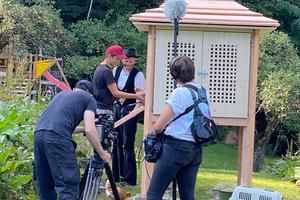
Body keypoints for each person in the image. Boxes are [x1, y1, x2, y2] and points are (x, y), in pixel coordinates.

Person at [33, 80, 111, 200]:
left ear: (74, 89)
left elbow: (63, 126)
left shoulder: (62, 94)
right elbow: (90, 129)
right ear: (91, 94)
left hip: (39, 136)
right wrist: (102, 153)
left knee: (45, 185)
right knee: (68, 186)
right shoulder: (89, 99)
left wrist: (84, 128)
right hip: (58, 139)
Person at [146, 55, 211, 200]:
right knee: (187, 196)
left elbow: (158, 126)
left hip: (175, 149)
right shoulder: (204, 92)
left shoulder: (179, 93)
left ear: (175, 75)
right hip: (195, 151)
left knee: (153, 195)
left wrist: (154, 132)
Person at [112, 48, 146, 186]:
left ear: (134, 60)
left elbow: (141, 97)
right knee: (116, 143)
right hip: (116, 109)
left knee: (128, 146)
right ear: (122, 59)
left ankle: (129, 179)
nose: (128, 61)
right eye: (126, 59)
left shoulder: (138, 75)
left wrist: (132, 115)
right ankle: (116, 176)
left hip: (130, 111)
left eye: (131, 59)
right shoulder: (116, 71)